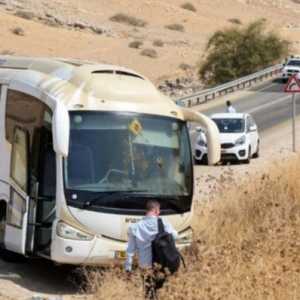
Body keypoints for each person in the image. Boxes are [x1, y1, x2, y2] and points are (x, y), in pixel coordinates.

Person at [125, 200, 177, 299]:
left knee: (148, 293)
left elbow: (130, 251)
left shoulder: (135, 227)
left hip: (145, 268)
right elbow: (175, 236)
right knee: (162, 293)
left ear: (147, 210)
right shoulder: (163, 223)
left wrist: (128, 268)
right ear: (157, 211)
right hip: (163, 266)